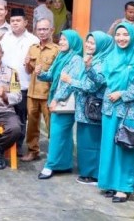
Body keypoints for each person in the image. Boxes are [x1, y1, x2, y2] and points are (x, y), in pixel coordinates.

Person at [98, 23, 134, 202]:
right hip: (109, 110)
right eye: (118, 34)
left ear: (133, 36)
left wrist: (122, 94)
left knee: (125, 148)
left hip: (128, 112)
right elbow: (102, 81)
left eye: (126, 34)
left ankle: (123, 187)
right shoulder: (110, 58)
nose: (121, 38)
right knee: (109, 147)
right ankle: (109, 183)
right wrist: (88, 68)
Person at [36, 30, 84, 180]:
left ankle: (50, 165)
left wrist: (56, 99)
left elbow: (68, 84)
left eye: (65, 40)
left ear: (73, 42)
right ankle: (64, 164)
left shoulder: (76, 59)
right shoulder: (61, 56)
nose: (62, 42)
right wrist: (40, 73)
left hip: (64, 103)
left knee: (57, 134)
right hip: (59, 101)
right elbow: (51, 75)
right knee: (64, 135)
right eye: (61, 39)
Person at [73, 31, 113, 184]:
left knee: (93, 141)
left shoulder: (103, 62)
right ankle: (86, 172)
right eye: (87, 42)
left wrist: (71, 81)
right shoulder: (91, 59)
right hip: (84, 108)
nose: (88, 45)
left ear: (101, 45)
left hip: (94, 109)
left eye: (92, 43)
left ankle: (94, 174)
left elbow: (92, 85)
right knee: (84, 141)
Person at [0, 7, 39, 153]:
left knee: (21, 116)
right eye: (12, 21)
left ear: (26, 22)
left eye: (18, 20)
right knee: (6, 114)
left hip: (24, 83)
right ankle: (5, 143)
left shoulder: (33, 40)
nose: (15, 23)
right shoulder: (5, 37)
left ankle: (17, 146)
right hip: (6, 84)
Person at [21, 18, 60, 162]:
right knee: (31, 125)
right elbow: (28, 70)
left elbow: (58, 74)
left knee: (52, 126)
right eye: (39, 29)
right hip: (32, 93)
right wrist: (27, 64)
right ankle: (33, 151)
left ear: (52, 30)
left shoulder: (56, 50)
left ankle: (55, 153)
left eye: (45, 29)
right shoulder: (33, 48)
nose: (42, 32)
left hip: (48, 94)